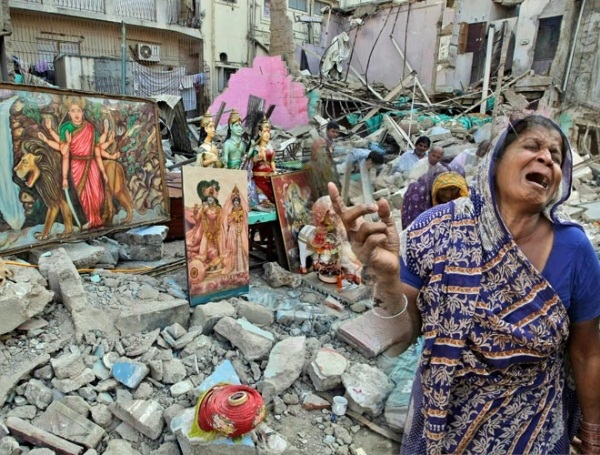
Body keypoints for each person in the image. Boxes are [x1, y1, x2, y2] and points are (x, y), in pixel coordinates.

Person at [327, 115, 600, 454]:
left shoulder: (575, 250)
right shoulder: (438, 228)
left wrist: (593, 431)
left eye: (556, 157)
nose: (546, 158)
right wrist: (386, 279)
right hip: (445, 431)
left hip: (534, 436)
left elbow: (587, 352)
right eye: (532, 146)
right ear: (495, 161)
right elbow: (403, 334)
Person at [38, 96, 109, 229]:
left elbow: (97, 151)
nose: (76, 114)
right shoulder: (65, 128)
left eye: (78, 111)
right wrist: (65, 178)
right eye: (72, 110)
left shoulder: (90, 127)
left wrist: (103, 171)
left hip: (92, 165)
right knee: (82, 196)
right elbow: (64, 153)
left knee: (97, 195)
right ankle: (88, 222)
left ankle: (96, 221)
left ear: (83, 112)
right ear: (69, 113)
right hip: (77, 166)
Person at [401, 169, 468, 228]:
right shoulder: (418, 193)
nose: (447, 195)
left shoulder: (459, 194)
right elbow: (413, 228)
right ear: (435, 188)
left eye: (453, 189)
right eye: (443, 189)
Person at [306, 121, 342, 199]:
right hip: (318, 167)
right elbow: (319, 157)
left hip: (326, 164)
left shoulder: (331, 142)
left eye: (337, 132)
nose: (335, 134)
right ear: (327, 131)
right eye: (333, 131)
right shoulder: (321, 142)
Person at [221, 185, 249, 275]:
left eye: (237, 201)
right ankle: (234, 267)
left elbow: (243, 219)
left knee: (241, 246)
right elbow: (228, 221)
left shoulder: (242, 209)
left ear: (239, 202)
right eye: (235, 201)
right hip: (233, 229)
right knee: (233, 247)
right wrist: (231, 218)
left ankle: (242, 268)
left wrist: (239, 219)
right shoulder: (231, 210)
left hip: (240, 228)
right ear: (233, 202)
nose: (236, 203)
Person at [249, 117, 276, 205]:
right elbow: (252, 162)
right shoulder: (256, 148)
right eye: (265, 132)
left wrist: (275, 171)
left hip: (270, 179)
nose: (267, 134)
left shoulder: (270, 148)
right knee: (263, 198)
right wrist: (256, 158)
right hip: (259, 179)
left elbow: (272, 161)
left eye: (268, 132)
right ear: (260, 133)